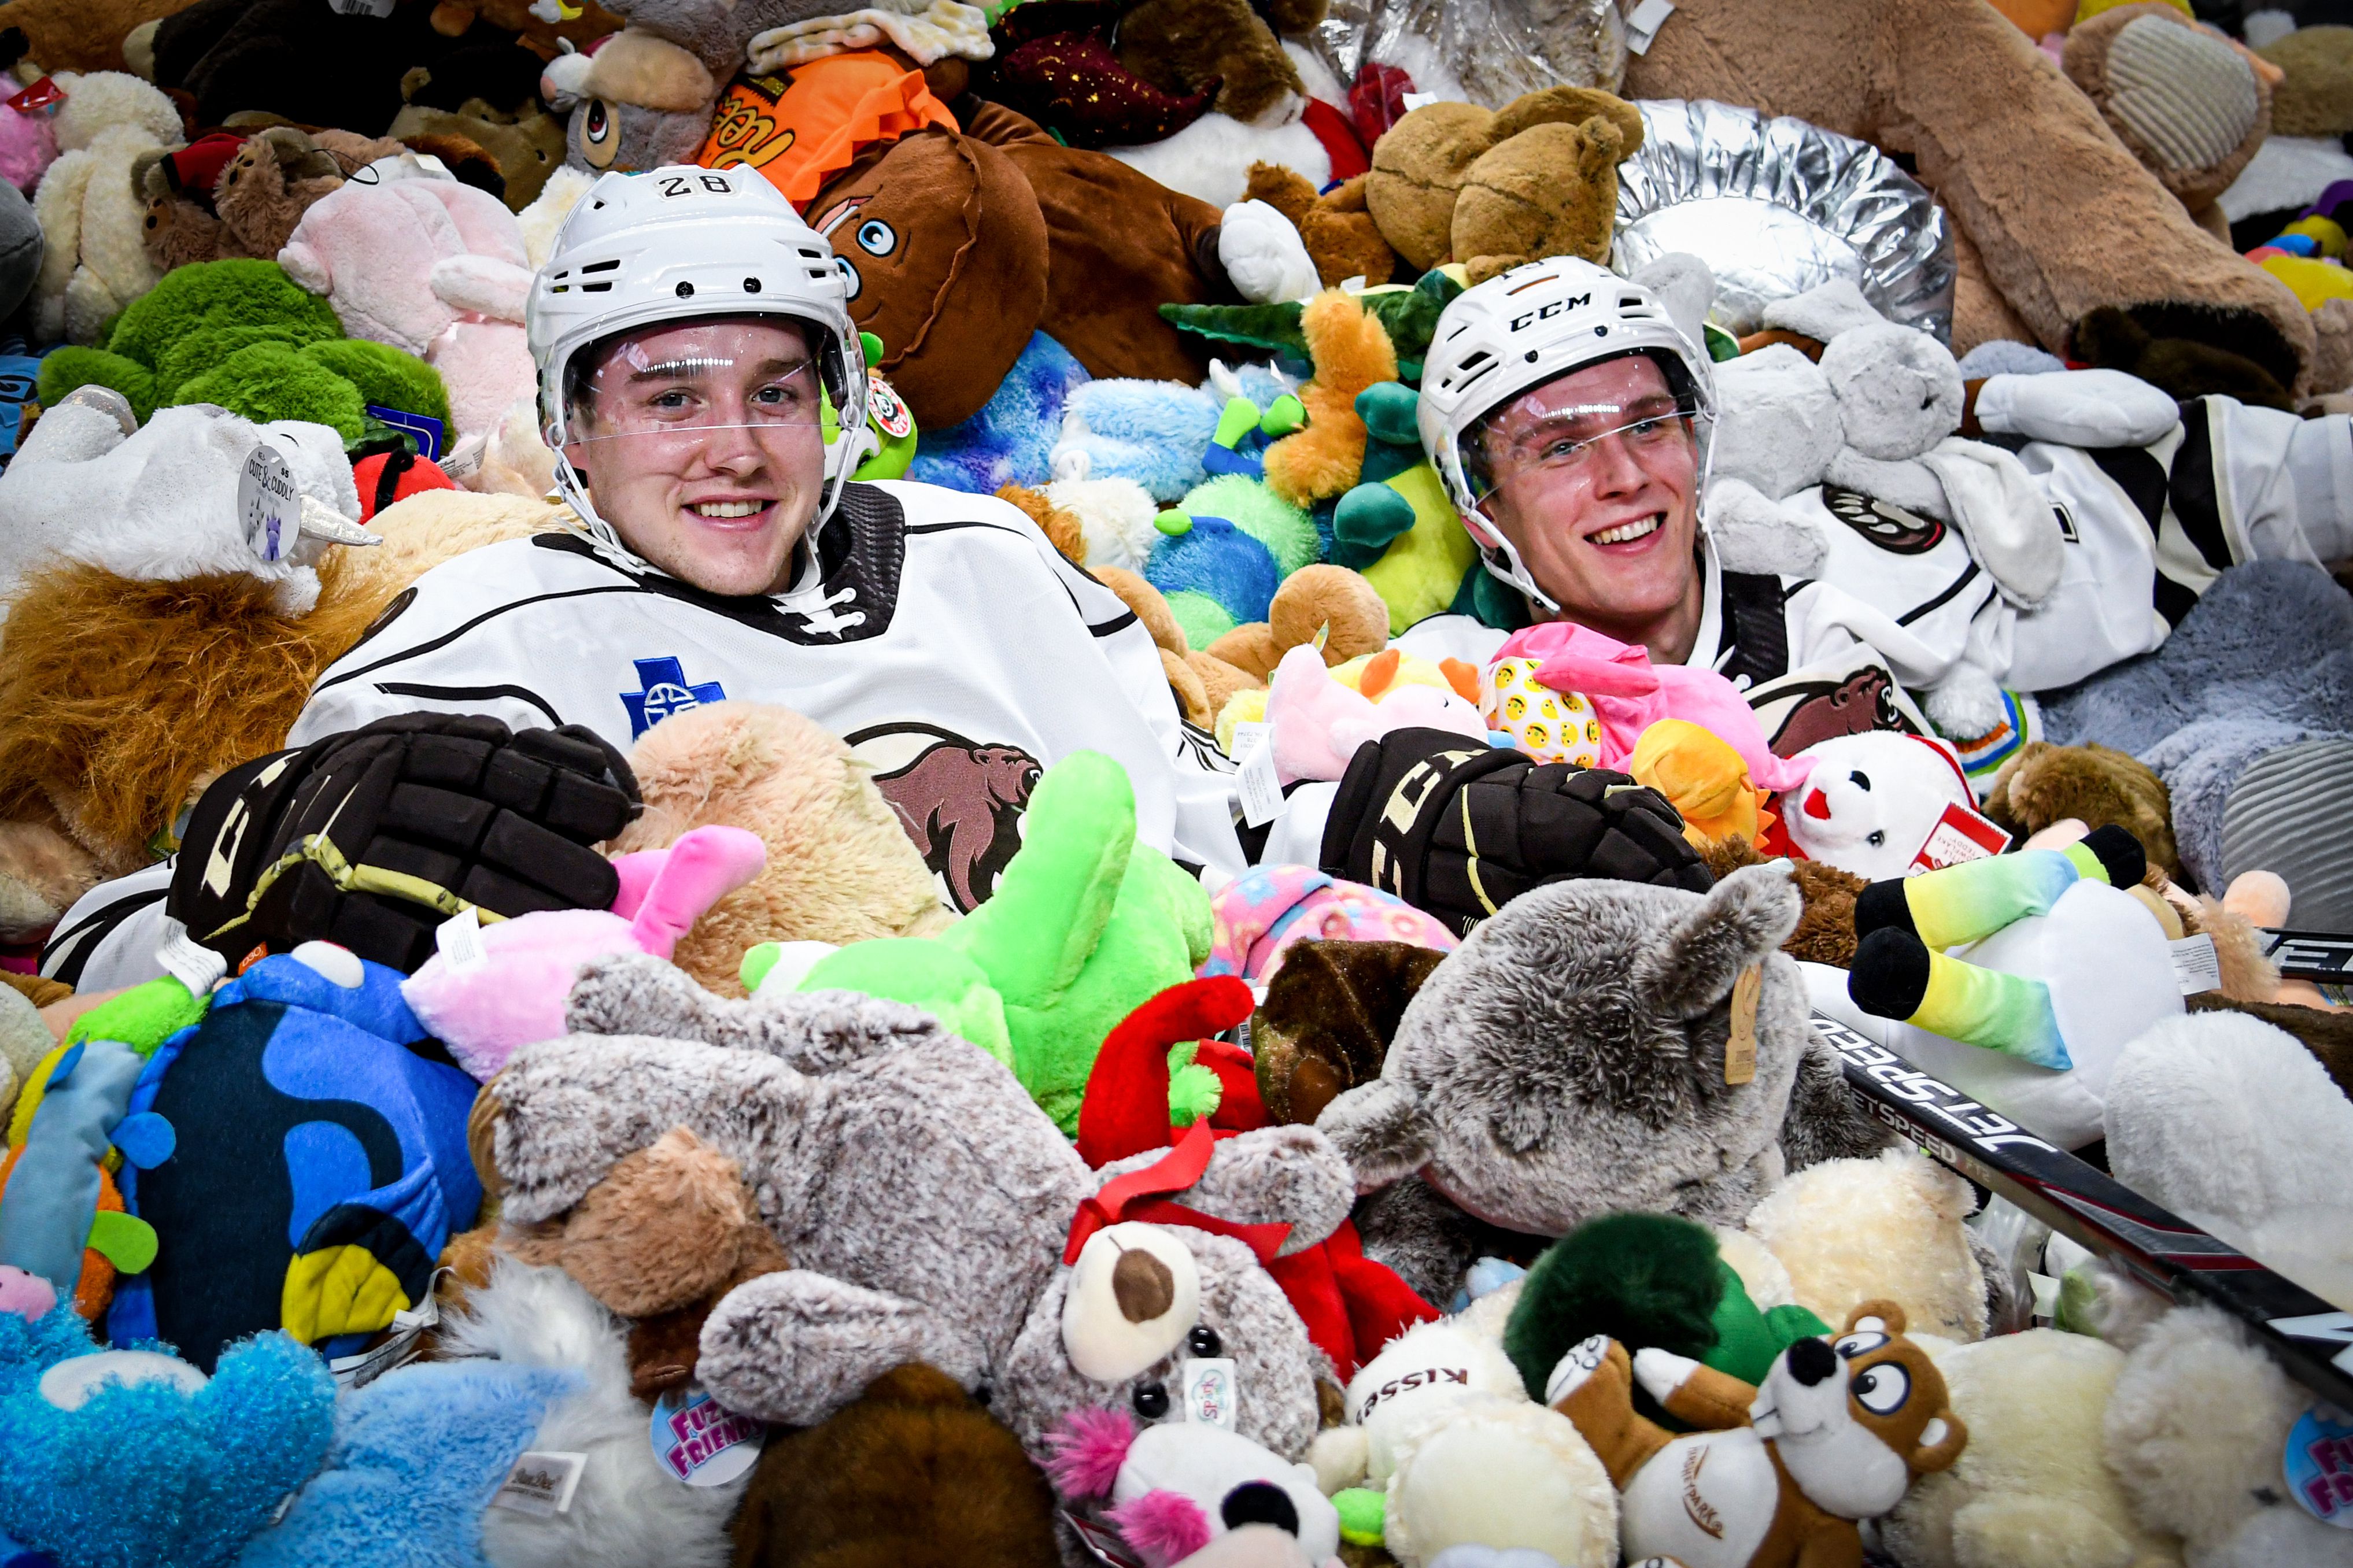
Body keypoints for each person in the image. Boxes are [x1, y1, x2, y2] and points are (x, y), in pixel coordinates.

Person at [43, 164, 1244, 989]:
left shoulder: (990, 559)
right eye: (671, 399)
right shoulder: (482, 632)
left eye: (773, 391)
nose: (734, 445)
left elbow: (1239, 856)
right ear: (570, 433)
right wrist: (260, 866)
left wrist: (1375, 814)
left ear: (834, 407)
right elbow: (91, 947)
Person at [1398, 257, 2353, 765]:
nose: (1622, 475)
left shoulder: (1856, 578)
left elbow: (2226, 488)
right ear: (1483, 514)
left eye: (1651, 425)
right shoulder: (1450, 690)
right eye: (1560, 447)